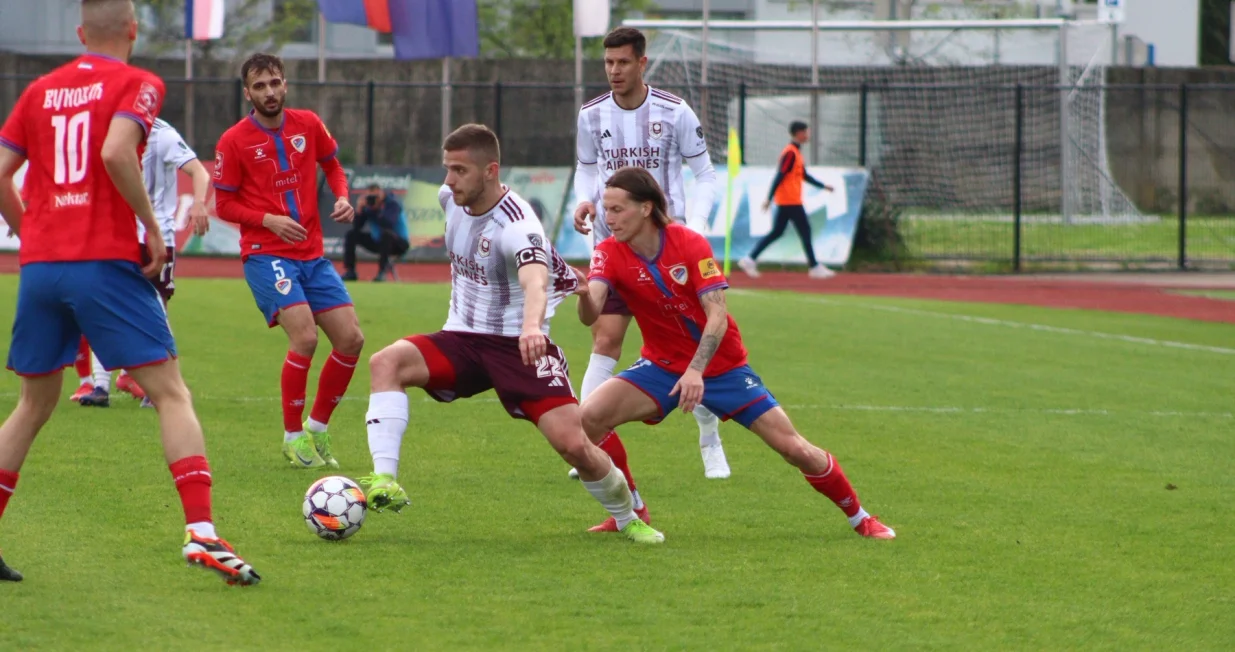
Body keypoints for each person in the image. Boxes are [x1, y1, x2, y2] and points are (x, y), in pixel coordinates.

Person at [0, 0, 259, 584]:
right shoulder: (138, 82)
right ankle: (202, 535)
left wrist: (29, 231)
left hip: (41, 267)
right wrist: (151, 228)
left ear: (79, 32)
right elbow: (116, 151)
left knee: (31, 406)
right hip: (104, 261)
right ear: (134, 30)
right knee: (171, 393)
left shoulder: (39, 90)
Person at [359, 124, 663, 545]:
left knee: (574, 444)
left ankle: (630, 515)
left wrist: (531, 327)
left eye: (459, 170)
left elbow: (534, 281)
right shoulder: (450, 199)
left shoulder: (518, 224)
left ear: (491, 171)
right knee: (385, 361)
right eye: (447, 168)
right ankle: (384, 481)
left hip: (518, 345)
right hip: (462, 338)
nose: (448, 180)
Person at [575, 167, 896, 540]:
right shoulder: (607, 253)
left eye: (618, 210)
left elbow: (718, 314)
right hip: (660, 366)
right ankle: (632, 510)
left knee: (794, 449)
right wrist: (583, 295)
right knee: (591, 417)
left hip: (723, 368)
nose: (609, 219)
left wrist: (696, 371)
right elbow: (591, 313)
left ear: (646, 208)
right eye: (606, 210)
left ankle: (861, 517)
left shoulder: (689, 243)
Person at [572, 26, 732, 480]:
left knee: (689, 343)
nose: (614, 71)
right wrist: (583, 202)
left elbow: (705, 173)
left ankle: (709, 436)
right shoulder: (591, 115)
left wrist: (695, 228)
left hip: (670, 251)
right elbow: (586, 170)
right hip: (615, 247)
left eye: (623, 62)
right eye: (608, 63)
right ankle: (589, 443)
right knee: (604, 339)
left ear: (642, 63)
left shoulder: (674, 110)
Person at [213, 52, 364, 470]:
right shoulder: (233, 140)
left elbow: (332, 165)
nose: (269, 92)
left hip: (312, 256)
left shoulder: (308, 124)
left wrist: (342, 197)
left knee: (351, 340)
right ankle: (292, 437)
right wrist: (267, 220)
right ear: (248, 93)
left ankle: (317, 429)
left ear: (285, 85)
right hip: (266, 255)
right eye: (259, 86)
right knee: (306, 338)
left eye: (275, 82)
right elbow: (222, 204)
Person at [80, 117, 212, 408]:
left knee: (154, 312)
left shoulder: (162, 134)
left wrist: (200, 202)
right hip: (115, 235)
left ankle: (158, 386)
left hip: (156, 238)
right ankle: (100, 386)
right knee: (102, 306)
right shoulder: (107, 131)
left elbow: (199, 172)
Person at [739, 121, 836, 280]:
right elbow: (780, 175)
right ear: (798, 133)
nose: (807, 135)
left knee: (778, 232)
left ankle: (750, 259)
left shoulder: (796, 153)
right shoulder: (790, 153)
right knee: (805, 230)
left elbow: (804, 175)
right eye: (805, 132)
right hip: (790, 200)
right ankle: (814, 266)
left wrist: (824, 186)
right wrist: (769, 198)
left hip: (789, 200)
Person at [342, 183, 409, 282]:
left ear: (381, 194)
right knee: (351, 235)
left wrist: (377, 209)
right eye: (370, 197)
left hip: (399, 243)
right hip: (378, 241)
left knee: (386, 235)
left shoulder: (392, 203)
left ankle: (382, 273)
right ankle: (350, 271)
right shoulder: (368, 206)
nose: (373, 200)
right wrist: (359, 210)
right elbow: (357, 227)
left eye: (375, 197)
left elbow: (388, 224)